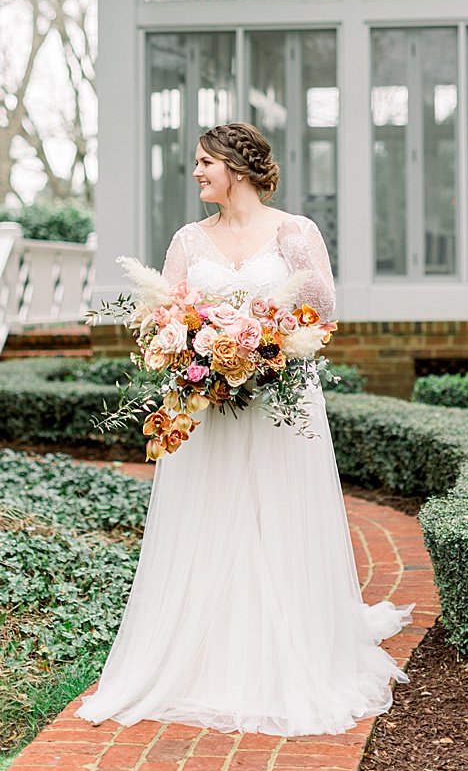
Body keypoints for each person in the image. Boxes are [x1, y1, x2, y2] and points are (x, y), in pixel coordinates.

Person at [77, 122, 411, 737]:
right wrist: (194, 351)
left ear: (236, 166)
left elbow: (322, 309)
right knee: (210, 516)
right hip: (207, 405)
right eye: (197, 163)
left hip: (280, 398)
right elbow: (162, 317)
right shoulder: (188, 240)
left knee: (278, 515)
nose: (198, 172)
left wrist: (264, 346)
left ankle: (289, 645)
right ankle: (210, 651)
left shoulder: (294, 232)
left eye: (206, 162)